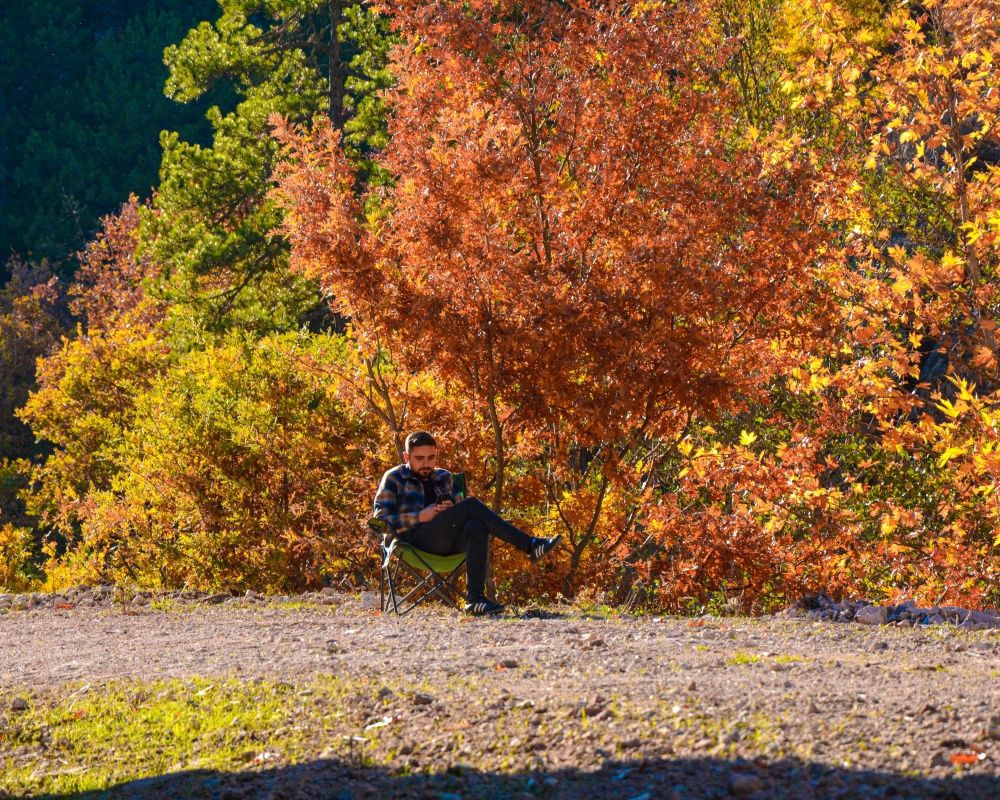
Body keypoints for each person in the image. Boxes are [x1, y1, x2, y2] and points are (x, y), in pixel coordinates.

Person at [373, 431, 560, 615]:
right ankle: (530, 545)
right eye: (419, 458)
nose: (426, 464)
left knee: (476, 525)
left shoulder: (444, 477)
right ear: (407, 457)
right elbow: (379, 522)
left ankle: (475, 600)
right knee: (471, 505)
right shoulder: (394, 478)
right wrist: (421, 516)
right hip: (412, 543)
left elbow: (465, 512)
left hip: (446, 541)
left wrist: (452, 507)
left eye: (431, 458)